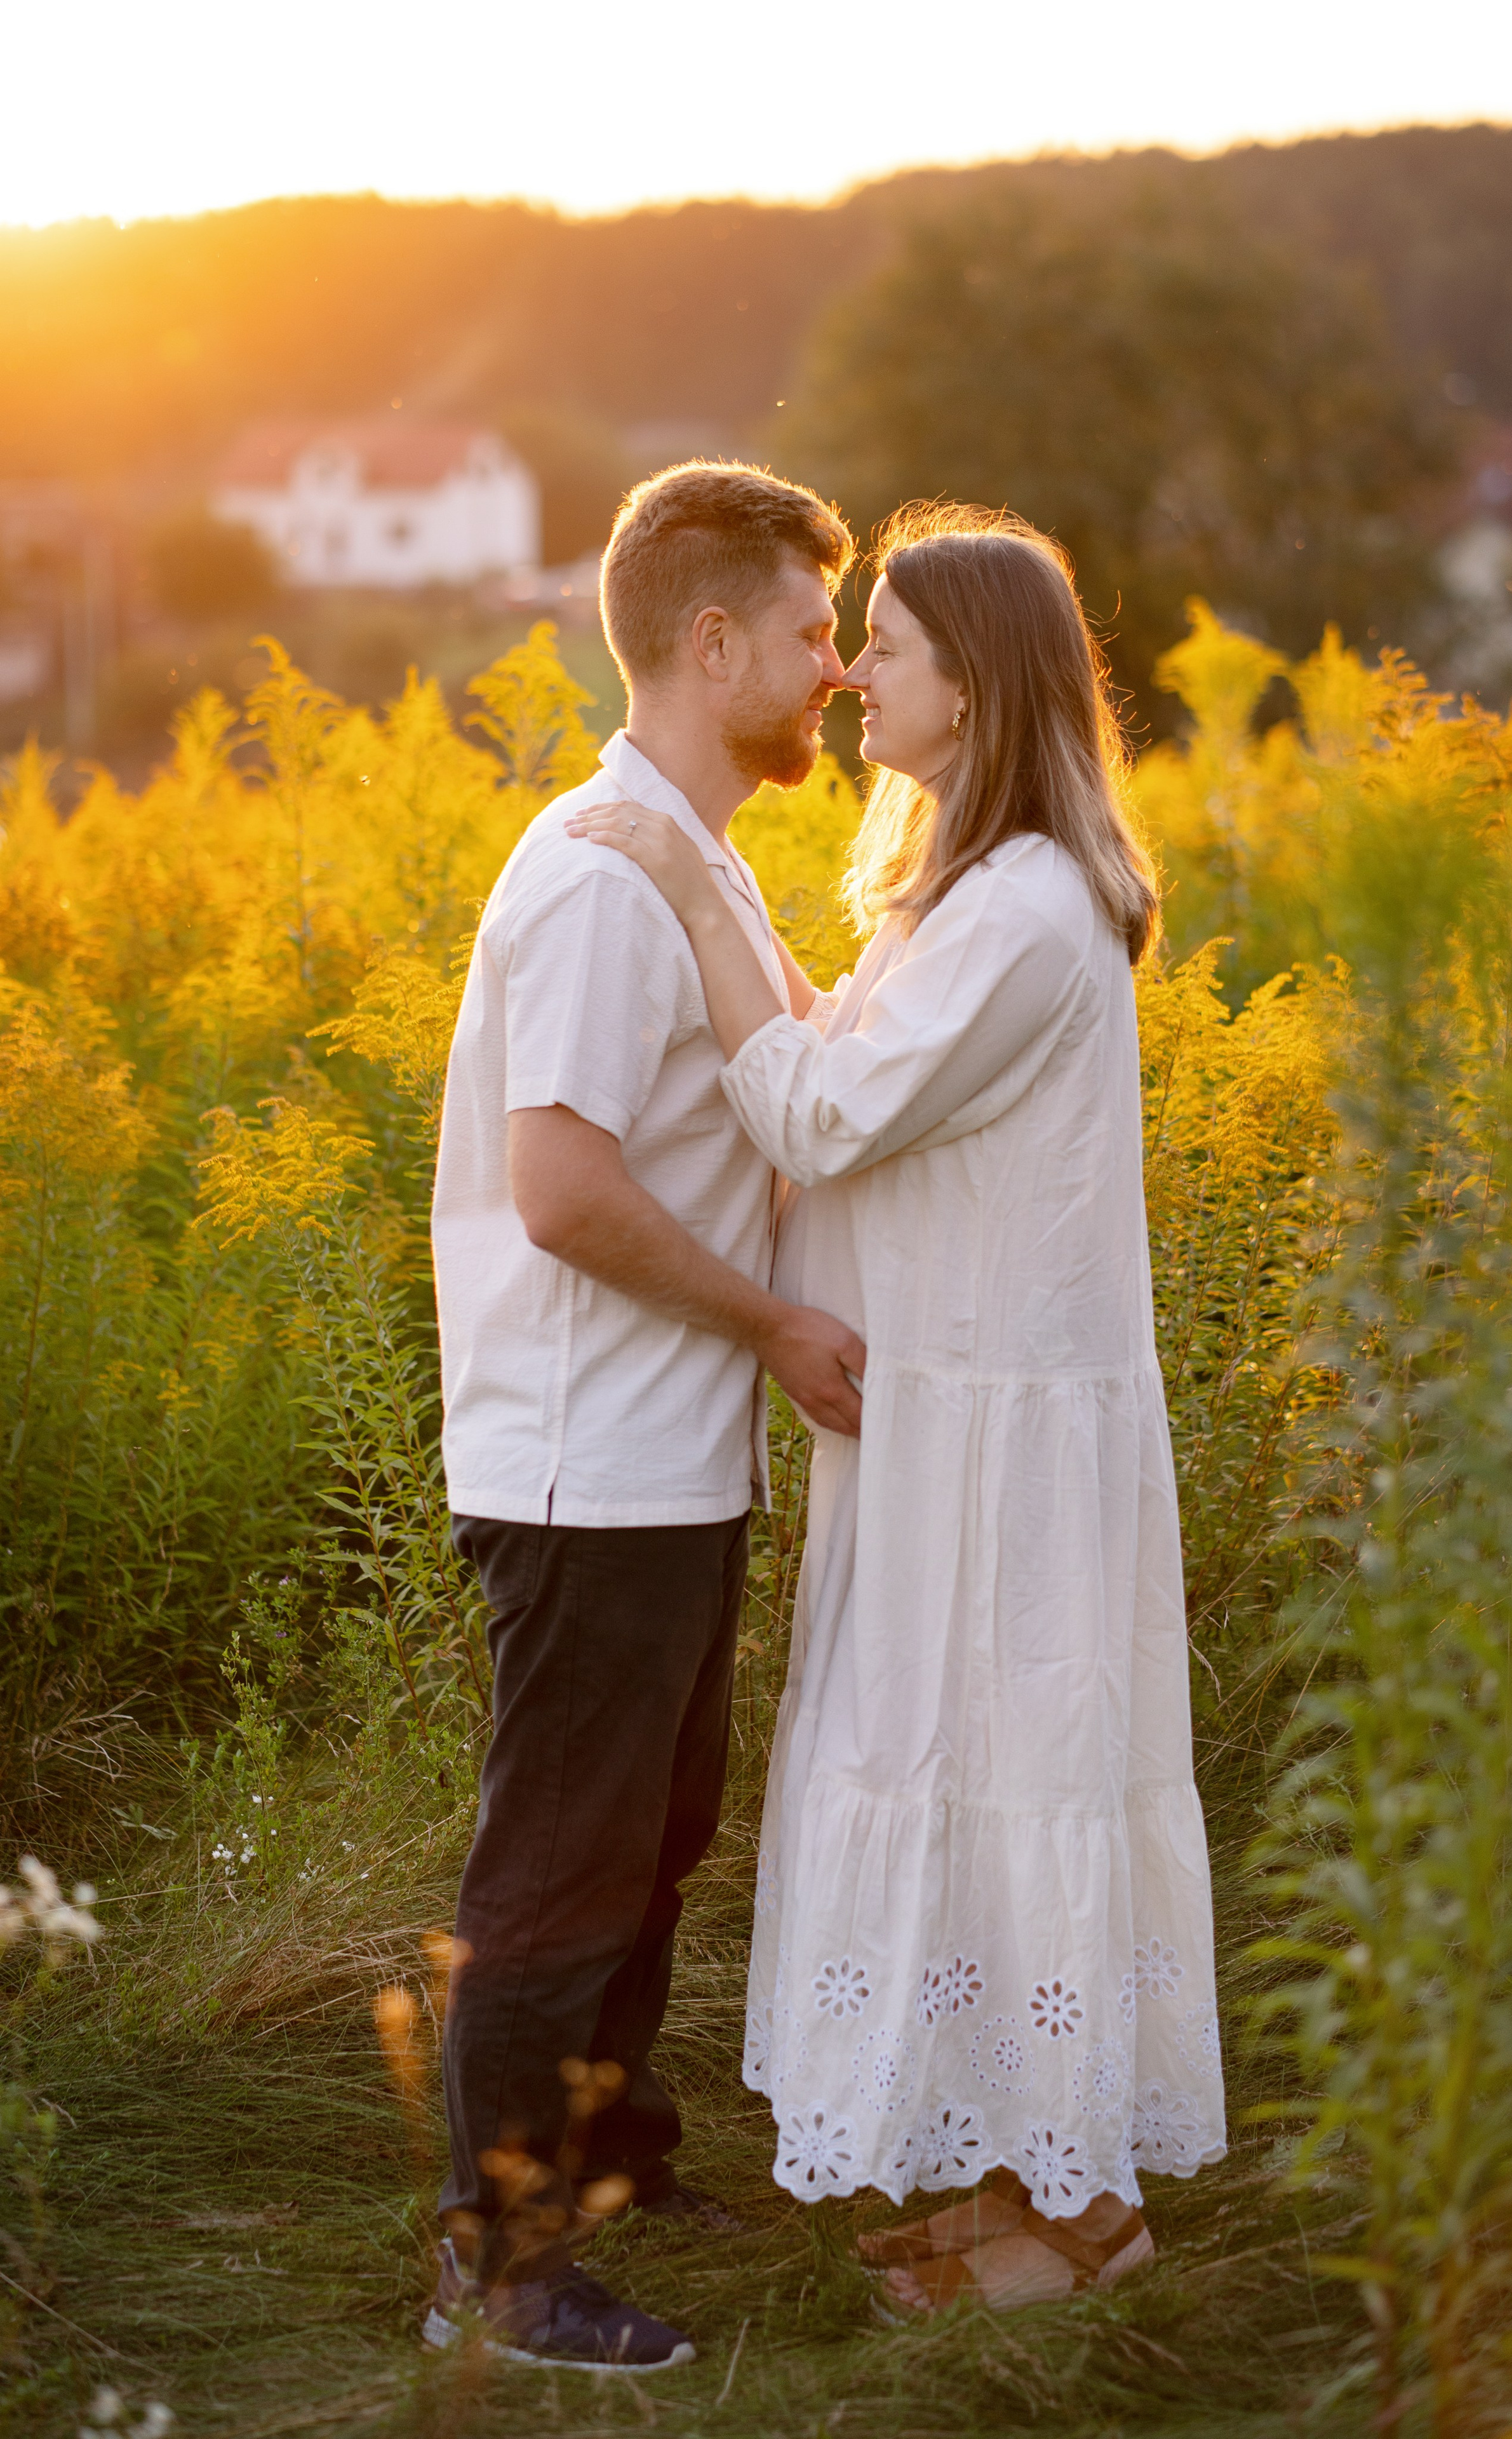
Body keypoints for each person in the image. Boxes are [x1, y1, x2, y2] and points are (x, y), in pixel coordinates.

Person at [569, 503, 1226, 2320]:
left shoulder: (1021, 910)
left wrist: (695, 886)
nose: (857, 673)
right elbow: (844, 1049)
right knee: (966, 1778)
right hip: (951, 1429)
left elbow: (814, 1114)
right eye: (851, 640)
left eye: (896, 649)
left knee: (1013, 1783)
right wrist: (733, 913)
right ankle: (1023, 2178)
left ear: (982, 685)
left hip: (1003, 1453)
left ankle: (1083, 2224)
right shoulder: (973, 890)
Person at [425, 462, 867, 2371]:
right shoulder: (607, 877)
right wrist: (776, 1321)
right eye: (810, 634)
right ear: (711, 642)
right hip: (585, 1457)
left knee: (655, 1832)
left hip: (661, 1458)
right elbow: (563, 1192)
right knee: (563, 1860)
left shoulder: (696, 848)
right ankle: (503, 2267)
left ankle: (612, 2164)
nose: (834, 673)